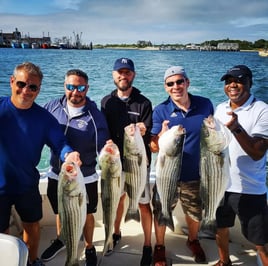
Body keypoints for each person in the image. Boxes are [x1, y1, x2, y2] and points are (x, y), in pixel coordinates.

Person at [0, 62, 81, 266]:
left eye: (33, 87)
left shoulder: (44, 118)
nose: (26, 91)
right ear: (12, 82)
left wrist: (69, 155)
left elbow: (60, 143)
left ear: (39, 90)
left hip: (26, 183)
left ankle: (32, 260)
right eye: (21, 84)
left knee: (32, 225)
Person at [40, 69, 109, 266]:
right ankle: (62, 240)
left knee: (86, 214)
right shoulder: (52, 107)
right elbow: (39, 130)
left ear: (86, 88)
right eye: (71, 87)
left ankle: (88, 247)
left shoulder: (95, 115)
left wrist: (109, 148)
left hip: (84, 176)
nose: (75, 92)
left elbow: (102, 145)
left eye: (80, 87)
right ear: (65, 86)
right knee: (61, 211)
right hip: (56, 172)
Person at [150, 66, 214, 265]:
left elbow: (212, 135)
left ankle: (193, 240)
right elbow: (153, 147)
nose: (175, 86)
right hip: (167, 176)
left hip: (195, 174)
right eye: (170, 83)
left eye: (179, 82)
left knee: (195, 212)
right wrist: (159, 137)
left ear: (187, 82)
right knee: (161, 211)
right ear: (165, 87)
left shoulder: (205, 105)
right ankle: (159, 246)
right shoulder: (161, 110)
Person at [213, 65, 268, 266]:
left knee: (260, 240)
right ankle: (223, 261)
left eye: (238, 80)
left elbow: (257, 152)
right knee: (220, 227)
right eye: (228, 81)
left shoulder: (262, 110)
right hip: (220, 184)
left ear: (249, 83)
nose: (232, 85)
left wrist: (236, 128)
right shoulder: (220, 108)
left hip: (250, 189)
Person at [101, 57, 153, 266]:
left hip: (137, 163)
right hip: (115, 163)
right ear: (114, 75)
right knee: (117, 199)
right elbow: (103, 130)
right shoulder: (106, 101)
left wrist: (143, 129)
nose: (123, 76)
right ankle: (116, 232)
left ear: (134, 75)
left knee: (143, 204)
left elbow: (148, 131)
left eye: (128, 72)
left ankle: (148, 245)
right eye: (119, 72)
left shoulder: (144, 102)